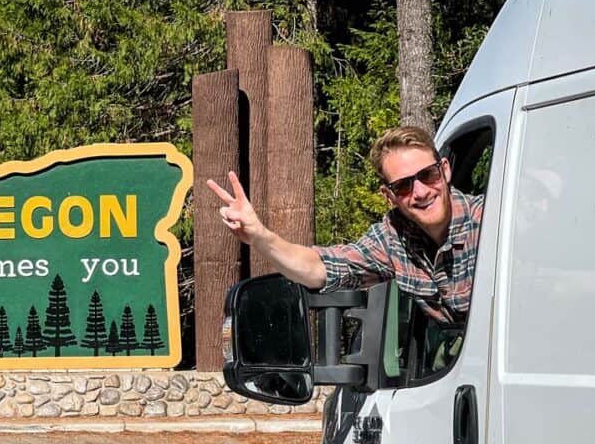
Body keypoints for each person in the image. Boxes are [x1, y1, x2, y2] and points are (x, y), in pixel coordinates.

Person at [206, 125, 483, 327]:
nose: (421, 192)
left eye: (427, 175)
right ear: (388, 195)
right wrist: (259, 235)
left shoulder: (489, 222)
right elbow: (318, 268)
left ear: (445, 170)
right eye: (403, 186)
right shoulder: (393, 239)